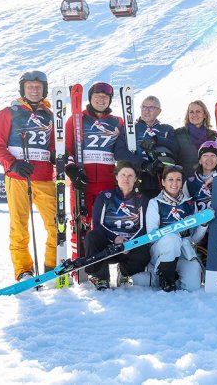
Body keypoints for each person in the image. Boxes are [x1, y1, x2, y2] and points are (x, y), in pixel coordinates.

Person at [0, 70, 58, 280]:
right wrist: (13, 165)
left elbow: (53, 145)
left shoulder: (51, 116)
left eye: (38, 87)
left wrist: (55, 156)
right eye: (30, 86)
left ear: (44, 89)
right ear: (23, 89)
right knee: (19, 226)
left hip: (45, 178)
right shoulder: (7, 113)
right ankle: (23, 270)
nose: (34, 90)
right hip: (18, 178)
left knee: (56, 225)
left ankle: (52, 266)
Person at [65, 82, 134, 257]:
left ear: (110, 100)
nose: (101, 100)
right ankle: (78, 262)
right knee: (79, 223)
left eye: (105, 97)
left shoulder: (118, 122)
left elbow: (124, 150)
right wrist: (71, 169)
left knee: (105, 223)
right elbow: (66, 149)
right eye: (97, 96)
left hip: (108, 183)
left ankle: (100, 263)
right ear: (90, 98)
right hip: (82, 181)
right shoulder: (76, 119)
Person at [132, 165, 208, 292]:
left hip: (184, 252)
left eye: (178, 179)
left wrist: (203, 225)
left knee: (192, 286)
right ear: (163, 182)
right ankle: (166, 279)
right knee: (171, 239)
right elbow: (152, 237)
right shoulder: (155, 203)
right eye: (170, 179)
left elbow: (194, 238)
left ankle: (159, 278)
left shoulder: (190, 203)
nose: (174, 183)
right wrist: (176, 234)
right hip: (162, 252)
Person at [83, 161, 151, 290]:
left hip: (130, 246)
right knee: (92, 237)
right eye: (123, 175)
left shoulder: (142, 199)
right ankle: (100, 277)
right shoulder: (105, 196)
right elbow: (97, 224)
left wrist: (130, 243)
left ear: (136, 178)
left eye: (130, 175)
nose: (126, 178)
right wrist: (115, 238)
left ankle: (125, 273)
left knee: (144, 247)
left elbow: (144, 227)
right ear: (116, 177)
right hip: (108, 245)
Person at [184, 141, 217, 266]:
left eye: (213, 156)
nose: (209, 159)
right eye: (205, 155)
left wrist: (216, 176)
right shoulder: (190, 182)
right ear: (200, 160)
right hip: (201, 231)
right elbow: (185, 206)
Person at [135, 96, 179, 199]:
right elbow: (120, 152)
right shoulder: (132, 129)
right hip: (138, 176)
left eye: (151, 107)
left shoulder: (166, 129)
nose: (146, 111)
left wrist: (157, 140)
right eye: (144, 107)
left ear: (159, 111)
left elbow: (176, 148)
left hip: (161, 177)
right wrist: (143, 164)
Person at [175, 100, 216, 179]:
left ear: (205, 115)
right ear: (188, 115)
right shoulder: (178, 134)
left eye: (198, 111)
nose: (194, 114)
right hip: (186, 180)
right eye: (191, 112)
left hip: (209, 180)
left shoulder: (213, 135)